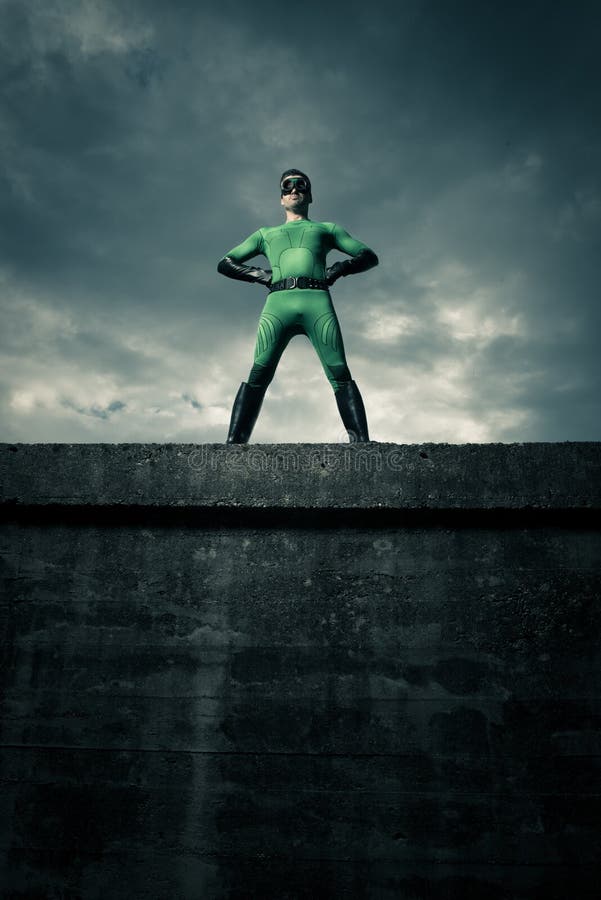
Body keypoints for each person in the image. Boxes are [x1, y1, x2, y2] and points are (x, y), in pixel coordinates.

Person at [217, 169, 378, 443]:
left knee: (339, 371)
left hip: (317, 301)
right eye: (287, 187)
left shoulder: (327, 229)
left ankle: (361, 445)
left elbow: (368, 256)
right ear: (281, 198)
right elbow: (226, 262)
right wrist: (261, 275)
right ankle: (233, 446)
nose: (294, 190)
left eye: (300, 185)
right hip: (278, 304)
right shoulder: (265, 234)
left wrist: (339, 268)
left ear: (310, 195)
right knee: (259, 371)